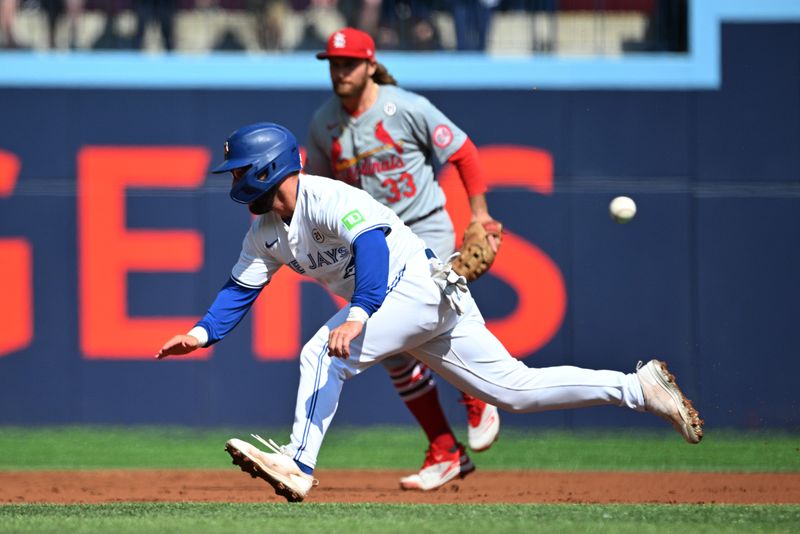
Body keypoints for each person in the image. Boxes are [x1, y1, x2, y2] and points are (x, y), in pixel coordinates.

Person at [156, 121, 704, 503]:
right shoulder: (265, 233)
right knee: (513, 389)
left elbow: (371, 246)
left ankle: (298, 465)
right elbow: (239, 288)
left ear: (266, 168)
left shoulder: (325, 197)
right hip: (422, 297)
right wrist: (203, 333)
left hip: (414, 285)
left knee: (322, 352)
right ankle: (638, 388)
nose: (232, 180)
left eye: (238, 170)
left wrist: (359, 314)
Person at [305, 27, 501, 491]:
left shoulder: (404, 107)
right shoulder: (323, 123)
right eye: (334, 63)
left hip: (426, 229)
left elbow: (464, 151)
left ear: (371, 64)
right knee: (388, 348)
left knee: (433, 320)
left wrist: (481, 214)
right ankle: (445, 449)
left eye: (349, 63)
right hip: (374, 241)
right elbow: (317, 190)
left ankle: (477, 394)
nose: (341, 71)